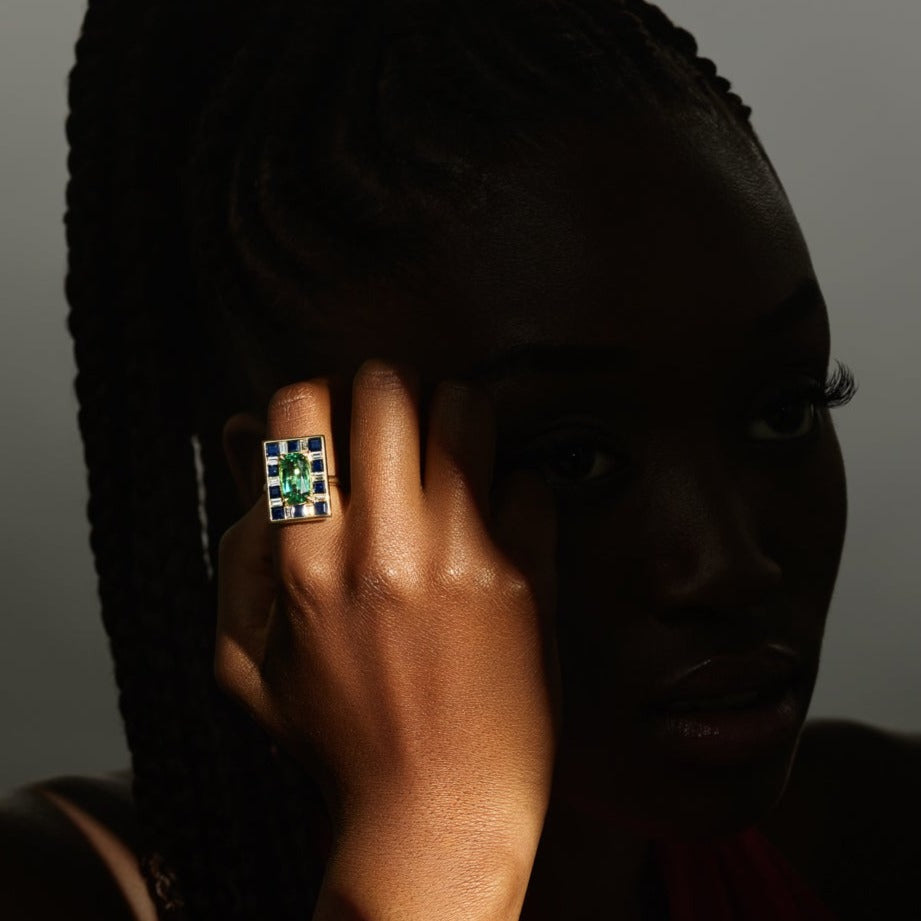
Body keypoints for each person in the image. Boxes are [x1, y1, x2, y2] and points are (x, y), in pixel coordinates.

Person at [1, 0, 918, 918]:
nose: (727, 564)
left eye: (785, 410)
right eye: (573, 459)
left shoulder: (876, 838)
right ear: (297, 489)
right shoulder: (57, 890)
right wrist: (436, 841)